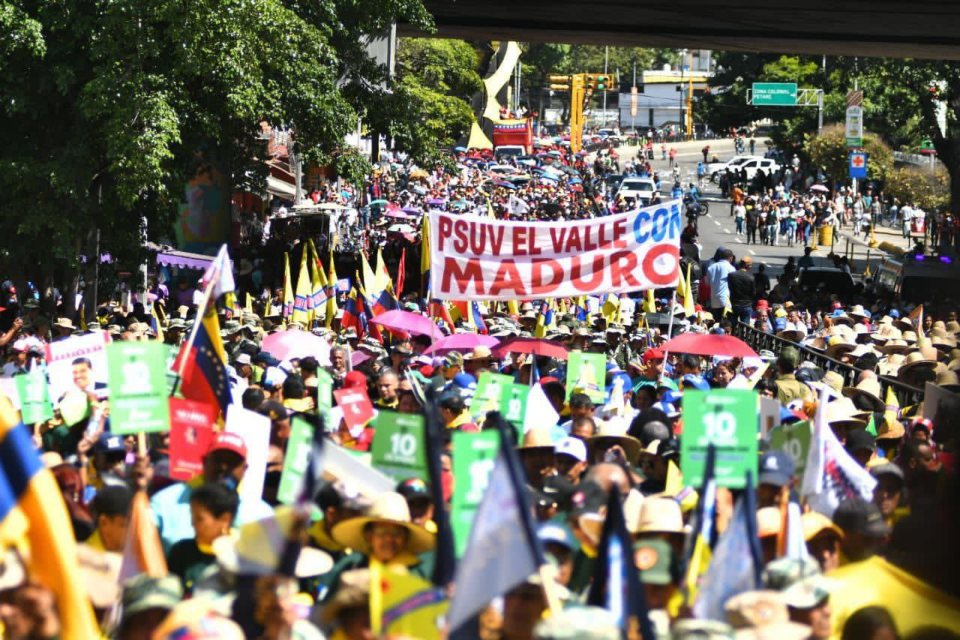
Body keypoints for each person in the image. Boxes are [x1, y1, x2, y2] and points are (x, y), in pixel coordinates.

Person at [167, 482, 239, 595]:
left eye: (199, 519)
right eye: (192, 516)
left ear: (225, 519)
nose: (192, 524)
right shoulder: (182, 552)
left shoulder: (243, 557)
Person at [706, 248, 736, 318]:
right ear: (730, 258)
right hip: (725, 299)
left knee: (716, 320)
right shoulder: (731, 268)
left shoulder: (711, 267)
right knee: (725, 321)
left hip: (714, 300)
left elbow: (707, 283)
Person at [728, 257, 756, 323]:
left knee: (732, 326)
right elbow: (753, 293)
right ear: (748, 266)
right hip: (746, 305)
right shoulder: (751, 277)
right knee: (745, 327)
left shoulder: (731, 275)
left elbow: (729, 288)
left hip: (734, 304)